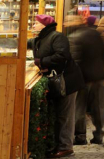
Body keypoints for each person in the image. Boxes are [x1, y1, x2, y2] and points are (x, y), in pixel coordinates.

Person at [31, 14, 83, 158]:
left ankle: (66, 147)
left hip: (67, 81)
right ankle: (57, 145)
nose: (33, 25)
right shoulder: (40, 39)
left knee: (65, 115)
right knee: (59, 114)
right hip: (58, 81)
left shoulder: (57, 37)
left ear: (44, 25)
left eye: (36, 23)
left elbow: (62, 56)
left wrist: (41, 61)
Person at [66, 14, 104, 145]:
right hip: (97, 76)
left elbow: (74, 61)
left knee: (79, 107)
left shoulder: (72, 37)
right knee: (97, 107)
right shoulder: (94, 34)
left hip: (82, 78)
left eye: (68, 21)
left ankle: (80, 136)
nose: (65, 23)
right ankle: (99, 133)